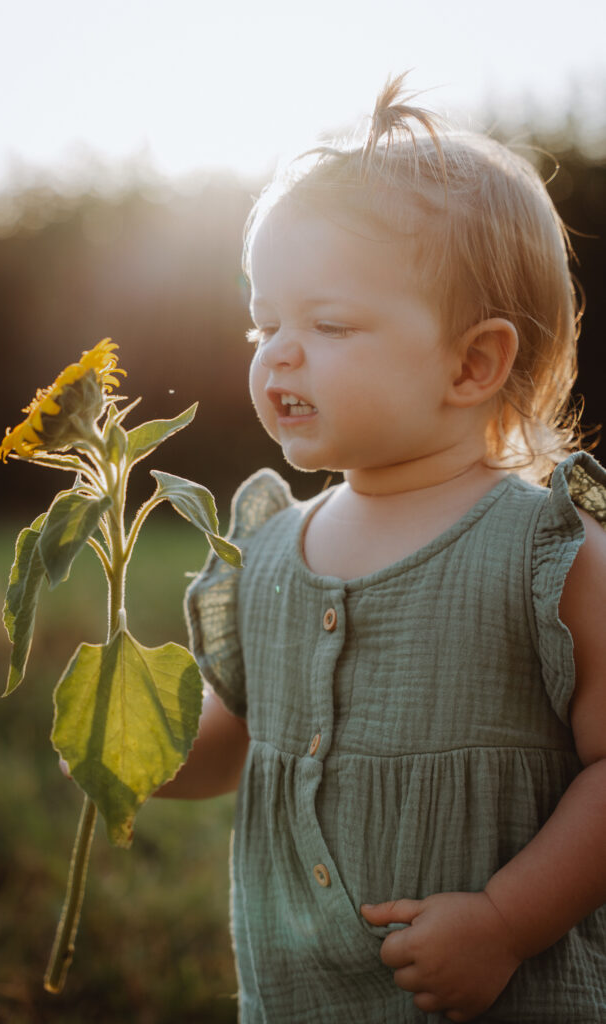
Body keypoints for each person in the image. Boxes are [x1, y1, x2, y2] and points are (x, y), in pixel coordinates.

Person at [156, 73, 606, 1022]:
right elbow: (225, 745)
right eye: (264, 322)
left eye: (326, 325)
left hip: (499, 990)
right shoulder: (267, 550)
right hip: (301, 996)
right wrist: (132, 746)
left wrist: (504, 920)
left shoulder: (545, 551)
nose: (277, 353)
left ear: (472, 363)